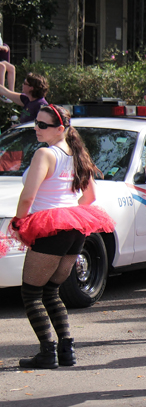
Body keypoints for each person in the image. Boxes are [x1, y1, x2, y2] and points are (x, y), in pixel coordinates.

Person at [8, 105, 115, 369]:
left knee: (31, 293)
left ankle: (47, 352)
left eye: (43, 125)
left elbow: (29, 196)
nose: (36, 128)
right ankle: (66, 350)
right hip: (74, 228)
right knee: (51, 291)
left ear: (60, 129)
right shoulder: (77, 153)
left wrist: (19, 223)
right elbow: (89, 198)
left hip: (51, 227)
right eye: (36, 123)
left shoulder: (45, 154)